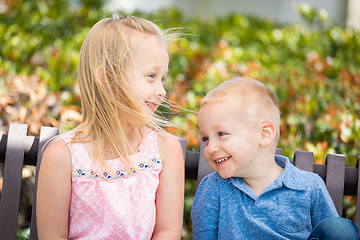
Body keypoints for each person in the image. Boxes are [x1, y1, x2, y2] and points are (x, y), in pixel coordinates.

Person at [36, 14, 184, 239]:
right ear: (107, 79)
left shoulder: (165, 150)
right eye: (151, 76)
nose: (162, 90)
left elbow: (167, 231)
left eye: (162, 78)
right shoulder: (62, 156)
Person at [191, 77, 359, 240]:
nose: (211, 148)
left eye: (221, 134)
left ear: (264, 134)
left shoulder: (308, 187)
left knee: (339, 229)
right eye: (205, 139)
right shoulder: (214, 188)